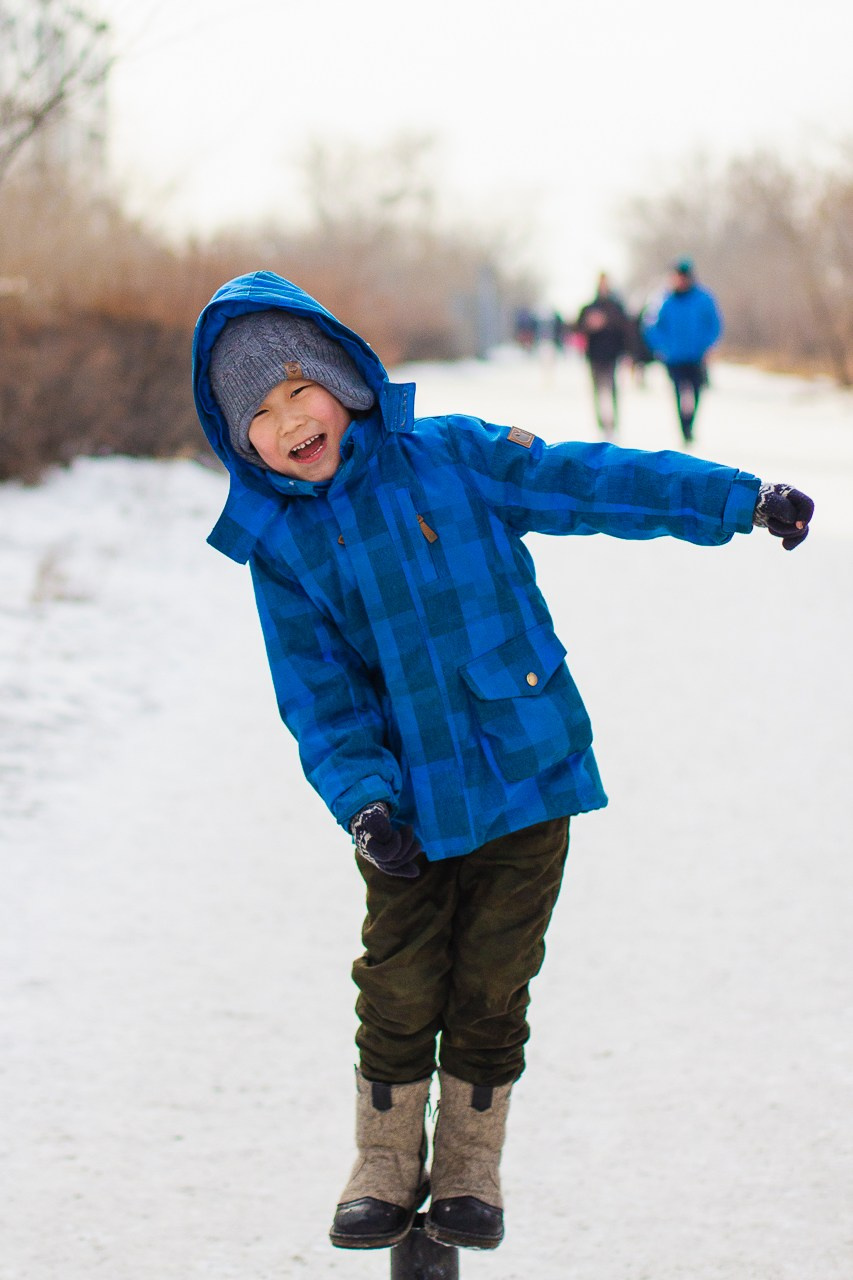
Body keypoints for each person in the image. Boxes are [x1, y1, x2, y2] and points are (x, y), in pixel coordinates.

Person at [192, 270, 814, 1256]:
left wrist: (738, 499)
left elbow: (592, 478)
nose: (289, 420)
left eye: (300, 389)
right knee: (397, 985)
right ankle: (386, 1161)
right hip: (406, 812)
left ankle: (471, 1166)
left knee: (491, 985)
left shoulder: (453, 458)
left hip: (525, 776)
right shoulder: (282, 545)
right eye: (259, 414)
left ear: (349, 381)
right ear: (238, 440)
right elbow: (320, 693)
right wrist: (362, 801)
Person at [643, 258, 723, 444]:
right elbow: (651, 326)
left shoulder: (703, 298)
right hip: (673, 356)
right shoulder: (663, 299)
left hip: (696, 355)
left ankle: (690, 423)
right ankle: (684, 429)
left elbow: (714, 323)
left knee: (696, 390)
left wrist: (708, 344)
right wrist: (661, 346)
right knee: (679, 391)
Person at [574, 273, 630, 436]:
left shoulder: (616, 307)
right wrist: (589, 324)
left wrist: (627, 352)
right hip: (594, 354)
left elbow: (625, 329)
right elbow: (578, 328)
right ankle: (601, 422)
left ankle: (614, 422)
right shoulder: (590, 307)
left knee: (612, 389)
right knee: (597, 390)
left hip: (612, 354)